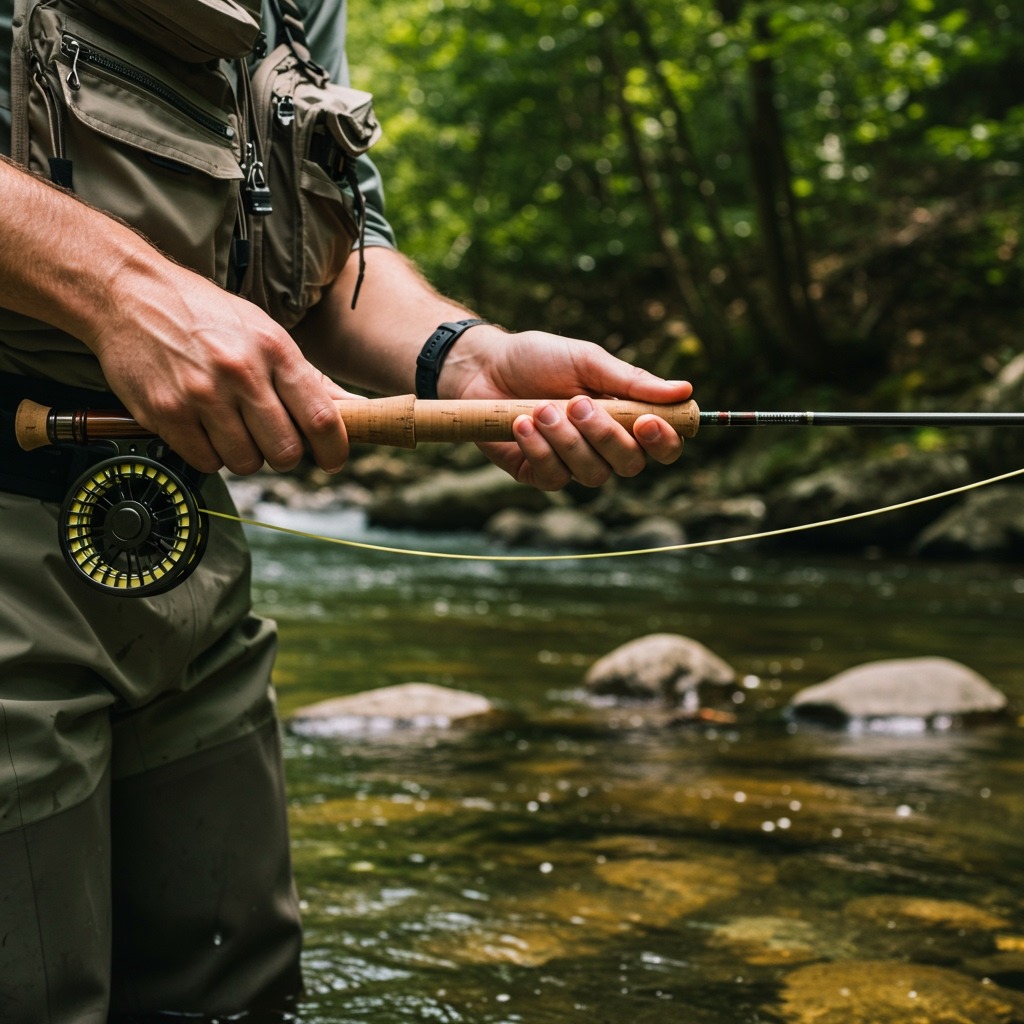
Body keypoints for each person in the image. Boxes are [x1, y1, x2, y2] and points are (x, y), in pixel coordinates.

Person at [0, 1, 691, 1020]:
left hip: (184, 547)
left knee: (237, 989)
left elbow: (336, 246)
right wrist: (118, 287)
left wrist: (466, 359)